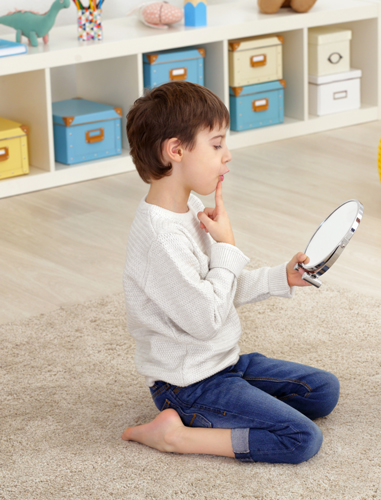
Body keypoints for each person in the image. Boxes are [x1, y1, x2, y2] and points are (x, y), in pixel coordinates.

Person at [120, 81, 339, 464]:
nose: (228, 156)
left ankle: (234, 411)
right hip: (188, 384)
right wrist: (227, 248)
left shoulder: (187, 211)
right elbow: (206, 319)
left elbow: (216, 292)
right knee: (300, 438)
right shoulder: (160, 240)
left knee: (322, 391)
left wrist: (279, 277)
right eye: (217, 144)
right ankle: (176, 437)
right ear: (175, 150)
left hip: (224, 364)